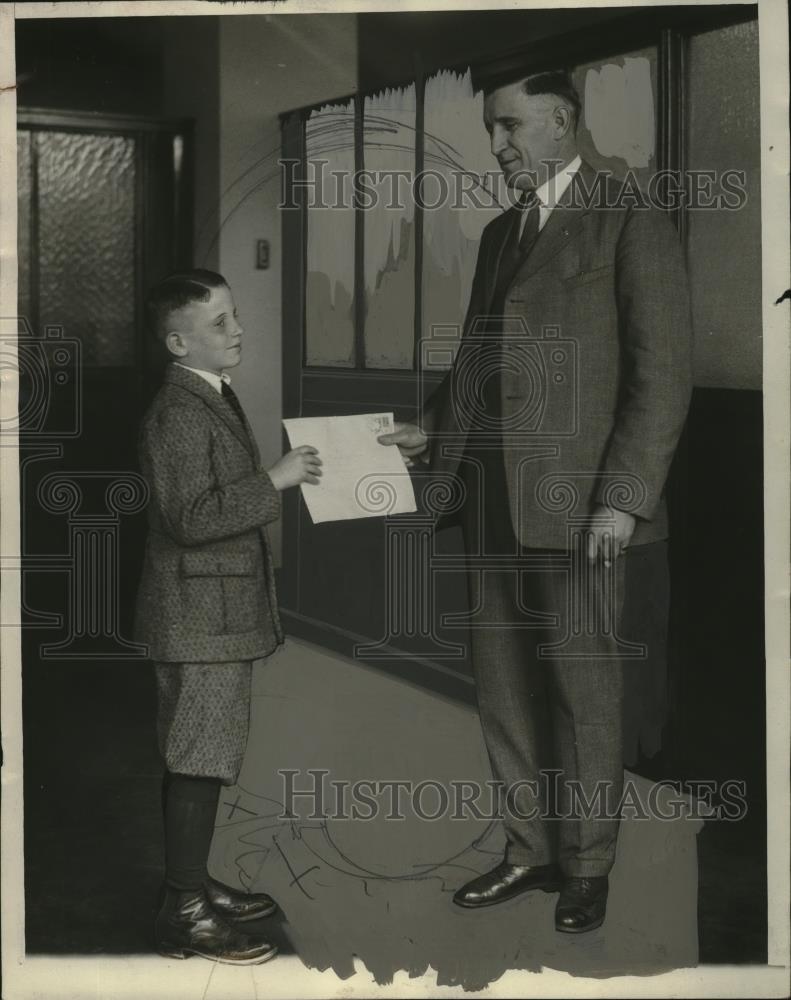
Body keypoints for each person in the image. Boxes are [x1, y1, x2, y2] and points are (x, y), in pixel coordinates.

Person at [379, 70, 692, 934]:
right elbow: (476, 359)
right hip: (488, 500)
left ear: (562, 123)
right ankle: (528, 850)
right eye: (490, 130)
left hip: (581, 512)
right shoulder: (497, 232)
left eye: (511, 126)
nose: (498, 146)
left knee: (585, 697)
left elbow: (661, 379)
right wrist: (431, 430)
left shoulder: (630, 217)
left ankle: (587, 866)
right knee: (504, 690)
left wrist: (621, 502)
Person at [135, 269, 322, 963]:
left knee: (203, 754)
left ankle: (191, 885)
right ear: (178, 341)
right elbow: (190, 518)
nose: (237, 329)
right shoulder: (178, 412)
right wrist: (273, 479)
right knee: (198, 756)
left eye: (235, 316)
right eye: (219, 323)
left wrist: (271, 478)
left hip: (207, 613)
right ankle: (184, 911)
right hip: (198, 619)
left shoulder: (207, 393)